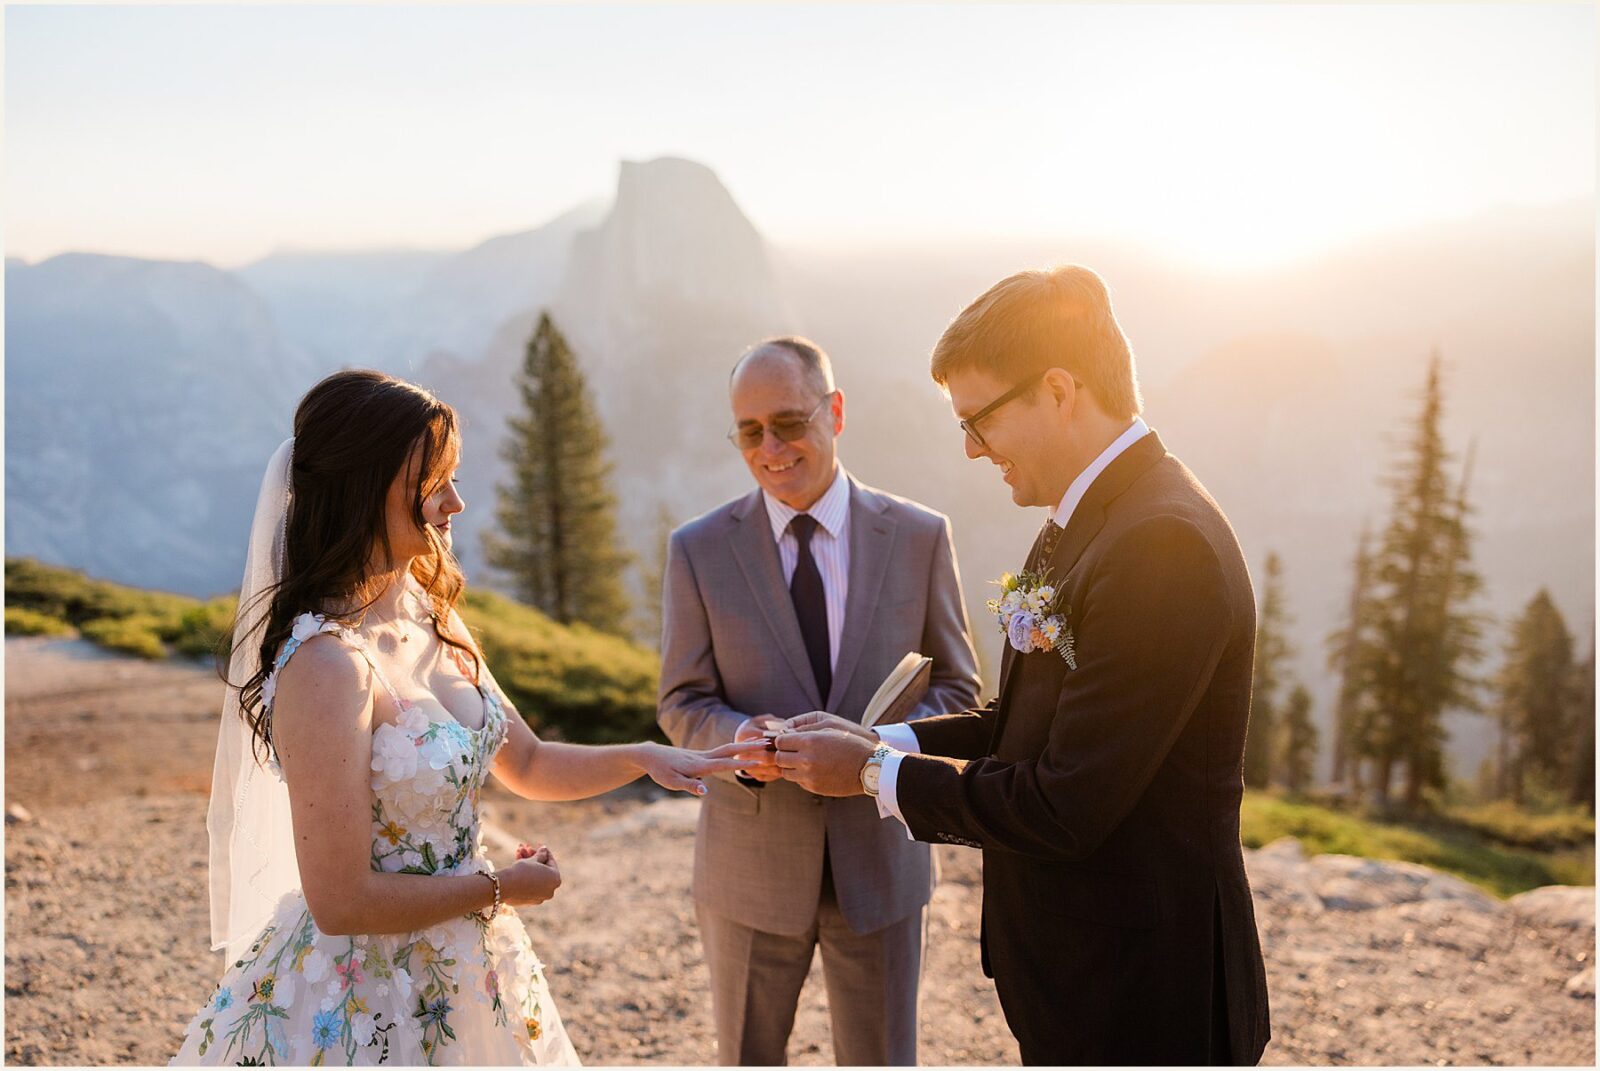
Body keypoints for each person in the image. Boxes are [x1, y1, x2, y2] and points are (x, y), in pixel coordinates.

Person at [174, 369, 763, 1066]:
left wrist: (645, 756)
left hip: (468, 969)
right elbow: (339, 899)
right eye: (433, 483)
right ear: (366, 489)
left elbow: (531, 762)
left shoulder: (432, 611)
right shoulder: (327, 666)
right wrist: (499, 888)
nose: (456, 501)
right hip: (365, 999)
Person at [772, 268, 1272, 1065]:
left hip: (1147, 997)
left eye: (979, 420)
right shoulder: (1083, 518)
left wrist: (871, 774)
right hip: (1083, 978)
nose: (971, 449)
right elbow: (1026, 722)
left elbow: (1065, 801)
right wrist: (881, 737)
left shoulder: (1161, 544)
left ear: (1059, 390)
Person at [657, 337, 981, 1065]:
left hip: (882, 861)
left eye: (789, 422)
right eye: (749, 431)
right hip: (749, 871)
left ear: (834, 411)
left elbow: (961, 691)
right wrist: (744, 740)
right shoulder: (697, 549)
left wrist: (874, 756)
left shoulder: (920, 536)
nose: (770, 447)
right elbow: (681, 699)